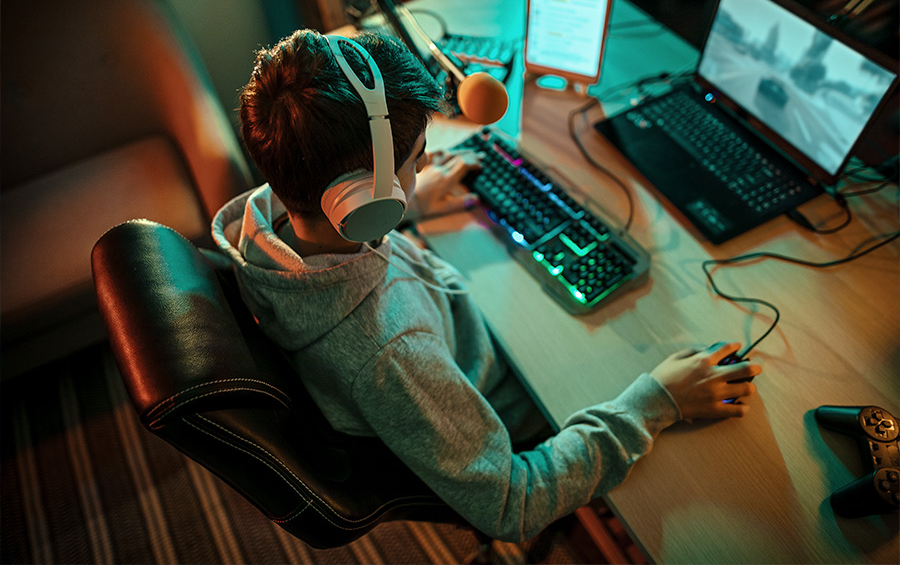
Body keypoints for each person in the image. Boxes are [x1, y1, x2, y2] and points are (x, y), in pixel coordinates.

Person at [212, 28, 762, 542]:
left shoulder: (268, 217)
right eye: (415, 162)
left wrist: (413, 203)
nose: (425, 165)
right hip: (505, 404)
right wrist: (655, 402)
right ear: (361, 204)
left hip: (453, 338)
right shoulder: (391, 353)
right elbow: (512, 503)